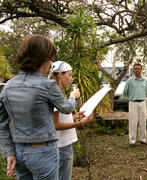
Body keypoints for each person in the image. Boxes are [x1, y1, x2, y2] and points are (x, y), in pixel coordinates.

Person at [0, 34, 80, 179]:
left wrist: (9, 152)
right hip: (43, 151)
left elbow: (2, 124)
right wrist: (73, 97)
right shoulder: (47, 85)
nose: (50, 63)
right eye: (50, 59)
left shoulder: (8, 86)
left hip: (19, 151)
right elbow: (66, 108)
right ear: (42, 59)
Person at [50, 61, 93, 180]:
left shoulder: (58, 92)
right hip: (62, 145)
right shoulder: (55, 93)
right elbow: (56, 124)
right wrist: (79, 123)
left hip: (63, 143)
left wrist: (74, 116)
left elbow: (57, 117)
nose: (71, 78)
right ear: (60, 75)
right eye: (69, 75)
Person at [123, 63, 147, 147]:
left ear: (141, 70)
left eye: (139, 68)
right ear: (133, 70)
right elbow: (125, 92)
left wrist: (141, 98)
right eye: (136, 69)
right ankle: (132, 141)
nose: (137, 70)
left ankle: (142, 139)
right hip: (133, 103)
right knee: (133, 122)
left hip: (142, 103)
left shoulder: (145, 81)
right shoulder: (130, 81)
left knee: (143, 121)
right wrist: (132, 96)